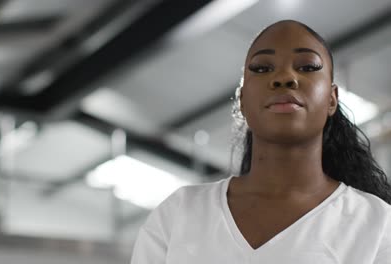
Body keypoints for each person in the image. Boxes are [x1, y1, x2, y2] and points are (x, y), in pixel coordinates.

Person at [130, 20, 391, 263]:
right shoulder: (179, 213)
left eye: (308, 67)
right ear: (242, 100)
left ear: (332, 98)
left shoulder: (377, 225)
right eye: (262, 68)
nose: (285, 78)